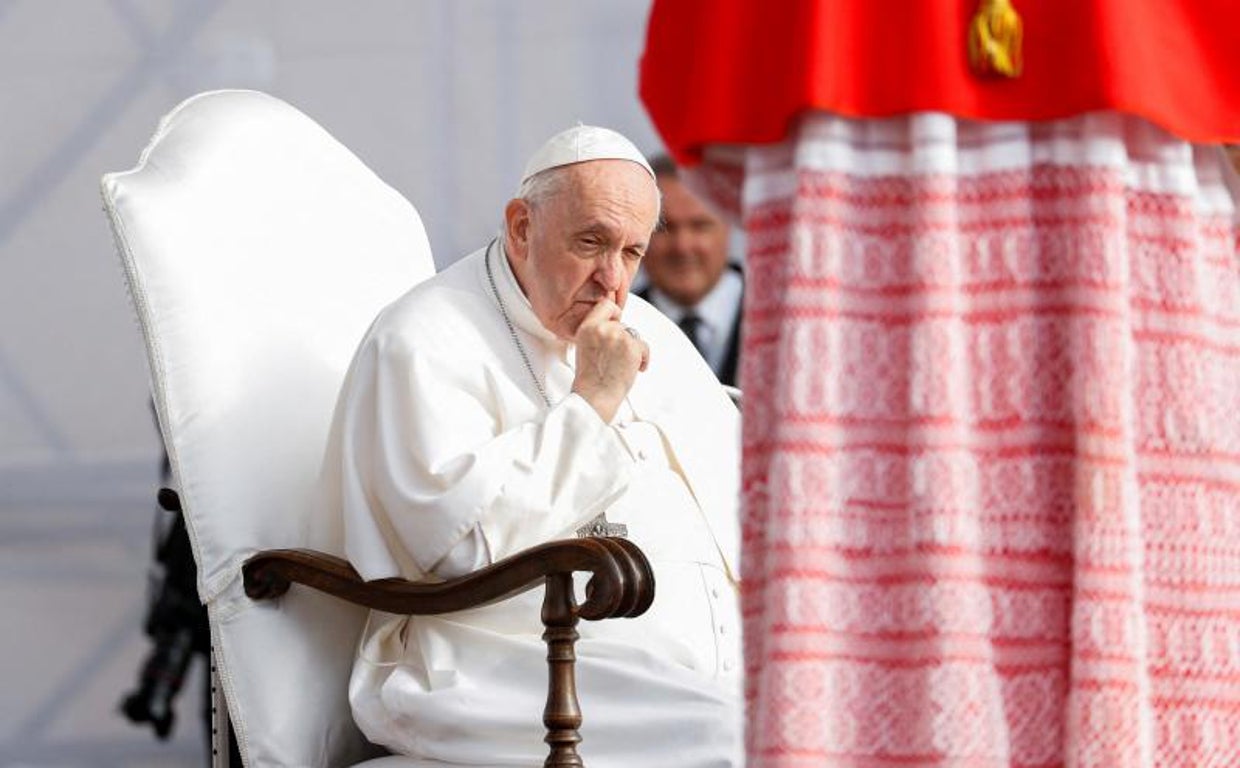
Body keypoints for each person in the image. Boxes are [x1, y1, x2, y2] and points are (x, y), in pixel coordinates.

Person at [319, 126, 742, 767]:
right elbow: (460, 548)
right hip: (501, 661)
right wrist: (592, 402)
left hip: (674, 662)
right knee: (742, 737)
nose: (614, 282)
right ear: (521, 227)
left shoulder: (649, 328)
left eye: (631, 252)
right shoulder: (422, 337)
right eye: (592, 242)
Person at [637, 155, 743, 387]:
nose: (683, 246)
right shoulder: (616, 322)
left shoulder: (786, 316)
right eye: (664, 227)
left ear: (729, 226)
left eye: (700, 226)